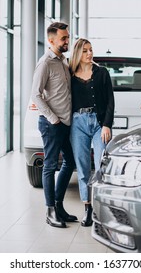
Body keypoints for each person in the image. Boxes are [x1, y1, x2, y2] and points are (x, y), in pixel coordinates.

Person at [31, 22, 78, 228]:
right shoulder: (45, 63)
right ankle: (50, 211)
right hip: (52, 124)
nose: (67, 41)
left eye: (68, 37)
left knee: (70, 162)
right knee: (50, 166)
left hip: (66, 122)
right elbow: (36, 94)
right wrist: (53, 119)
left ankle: (58, 206)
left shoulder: (64, 61)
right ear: (51, 41)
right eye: (63, 38)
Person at [69, 38, 114, 227]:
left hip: (98, 122)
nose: (89, 54)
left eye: (91, 50)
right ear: (78, 53)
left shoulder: (102, 73)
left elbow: (110, 101)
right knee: (83, 167)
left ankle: (102, 208)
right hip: (77, 123)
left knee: (101, 166)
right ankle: (88, 209)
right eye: (85, 51)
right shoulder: (70, 75)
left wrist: (107, 125)